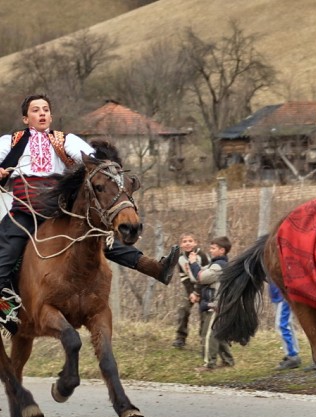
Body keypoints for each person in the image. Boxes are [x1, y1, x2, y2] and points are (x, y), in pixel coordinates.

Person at [0, 94, 179, 333]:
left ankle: (154, 268)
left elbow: (92, 160)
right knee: (6, 254)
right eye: (35, 110)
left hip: (58, 211)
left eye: (45, 109)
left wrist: (99, 166)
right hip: (24, 212)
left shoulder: (65, 141)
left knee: (92, 237)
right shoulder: (9, 143)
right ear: (25, 118)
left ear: (51, 116)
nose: (42, 113)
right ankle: (6, 310)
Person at [188, 236, 234, 371]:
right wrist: (193, 265)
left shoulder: (219, 265)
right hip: (217, 304)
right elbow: (199, 277)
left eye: (213, 248)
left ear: (222, 250)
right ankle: (228, 361)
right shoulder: (215, 264)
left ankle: (209, 364)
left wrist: (193, 263)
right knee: (218, 335)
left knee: (208, 335)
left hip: (216, 305)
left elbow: (201, 277)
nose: (210, 250)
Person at [171, 232, 210, 349]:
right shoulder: (180, 258)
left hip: (205, 286)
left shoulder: (202, 256)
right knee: (183, 309)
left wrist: (197, 293)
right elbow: (184, 277)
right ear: (180, 245)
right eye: (184, 241)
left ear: (195, 243)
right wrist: (191, 293)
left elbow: (205, 275)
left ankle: (204, 340)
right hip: (191, 287)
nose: (187, 243)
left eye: (190, 241)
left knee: (204, 313)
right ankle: (180, 338)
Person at [268, 282, 301, 370]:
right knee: (286, 324)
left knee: (282, 325)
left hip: (284, 296)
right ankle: (293, 353)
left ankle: (292, 355)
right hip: (277, 295)